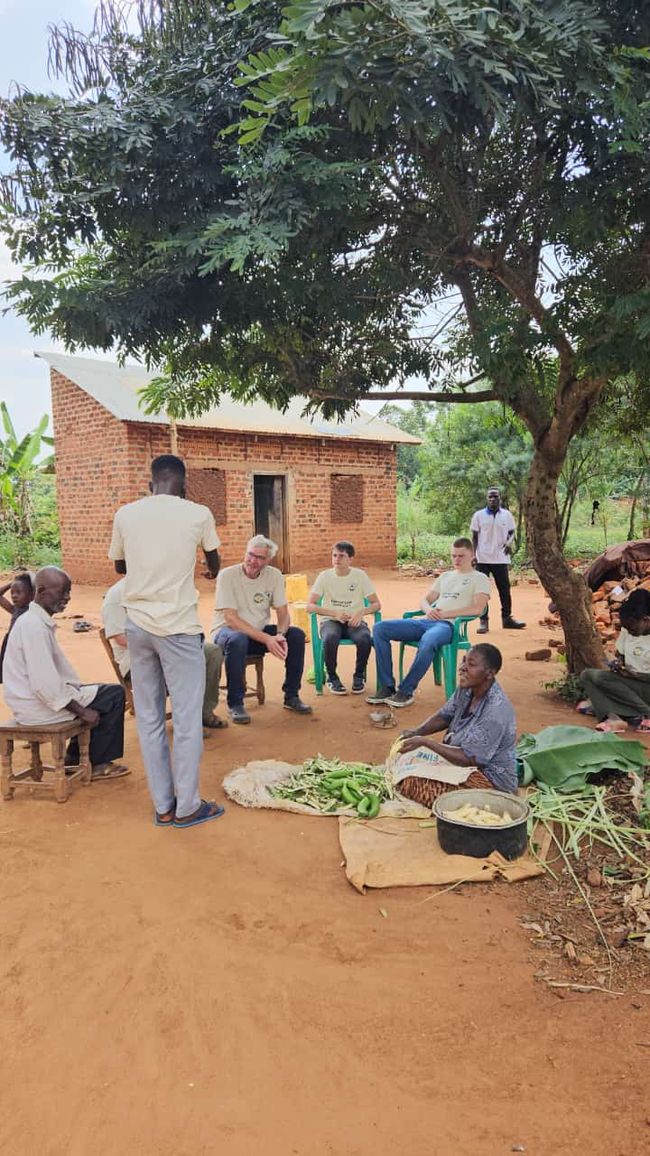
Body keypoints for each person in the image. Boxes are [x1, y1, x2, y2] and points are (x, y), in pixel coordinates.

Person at [109, 454, 224, 828]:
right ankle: (188, 806)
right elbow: (214, 561)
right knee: (188, 721)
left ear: (150, 484)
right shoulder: (198, 513)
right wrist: (204, 567)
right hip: (177, 627)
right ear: (184, 486)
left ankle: (164, 806)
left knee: (150, 718)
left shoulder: (126, 514)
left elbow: (120, 567)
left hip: (137, 627)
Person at [2, 566, 128, 780]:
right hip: (37, 707)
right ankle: (96, 763)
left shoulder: (35, 621)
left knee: (102, 692)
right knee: (114, 696)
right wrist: (81, 710)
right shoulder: (34, 627)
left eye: (69, 592)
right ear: (41, 591)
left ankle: (74, 757)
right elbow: (44, 685)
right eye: (62, 592)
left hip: (33, 702)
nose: (68, 597)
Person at [367, 538, 490, 708]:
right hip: (426, 621)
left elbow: (477, 609)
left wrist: (445, 614)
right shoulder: (446, 576)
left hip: (447, 626)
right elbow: (425, 600)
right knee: (380, 628)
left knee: (429, 640)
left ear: (472, 555)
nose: (456, 560)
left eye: (461, 556)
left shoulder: (480, 578)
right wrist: (428, 610)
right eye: (453, 556)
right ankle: (387, 686)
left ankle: (405, 691)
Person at [393, 643, 517, 807]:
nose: (462, 668)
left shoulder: (495, 711)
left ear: (489, 673)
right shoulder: (467, 688)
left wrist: (425, 742)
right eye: (464, 661)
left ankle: (487, 802)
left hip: (488, 779)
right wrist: (417, 732)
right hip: (462, 763)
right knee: (406, 762)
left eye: (471, 664)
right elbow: (445, 716)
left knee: (413, 784)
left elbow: (470, 758)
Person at [102, 577, 227, 730]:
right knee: (181, 664)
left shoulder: (159, 586)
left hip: (170, 648)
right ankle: (185, 725)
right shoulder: (116, 595)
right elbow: (120, 638)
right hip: (136, 659)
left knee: (212, 652)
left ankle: (204, 712)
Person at [212, 534, 312, 724]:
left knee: (296, 635)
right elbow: (231, 619)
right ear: (245, 553)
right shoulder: (227, 576)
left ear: (268, 560)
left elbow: (283, 612)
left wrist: (281, 635)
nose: (253, 561)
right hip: (227, 633)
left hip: (257, 633)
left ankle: (291, 696)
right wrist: (267, 638)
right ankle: (236, 703)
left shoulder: (273, 575)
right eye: (251, 555)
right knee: (238, 639)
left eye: (260, 558)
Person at [306, 541, 381, 695]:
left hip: (354, 621)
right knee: (330, 637)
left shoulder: (360, 576)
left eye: (341, 556)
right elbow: (310, 606)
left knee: (364, 637)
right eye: (334, 555)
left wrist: (361, 612)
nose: (337, 559)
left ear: (350, 559)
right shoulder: (324, 576)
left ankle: (359, 676)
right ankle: (332, 677)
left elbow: (376, 604)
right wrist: (334, 613)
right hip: (331, 621)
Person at [578, 588, 650, 733]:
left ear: (646, 620)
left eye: (632, 628)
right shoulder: (628, 631)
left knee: (604, 688)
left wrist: (634, 675)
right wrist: (619, 664)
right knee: (588, 675)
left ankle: (644, 711)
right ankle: (613, 718)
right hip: (631, 685)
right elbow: (621, 655)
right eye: (626, 627)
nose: (629, 631)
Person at [470, 487, 525, 632]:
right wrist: (473, 555)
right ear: (486, 499)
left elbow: (512, 532)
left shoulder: (506, 515)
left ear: (500, 498)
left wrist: (509, 542)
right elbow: (475, 537)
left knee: (504, 589)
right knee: (482, 591)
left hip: (501, 558)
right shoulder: (478, 516)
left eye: (496, 497)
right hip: (482, 558)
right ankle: (483, 621)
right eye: (490, 497)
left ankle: (507, 619)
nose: (493, 499)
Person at [0, 571, 34, 683]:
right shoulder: (15, 610)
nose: (14, 596)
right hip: (10, 641)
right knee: (8, 672)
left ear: (32, 595)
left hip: (25, 644)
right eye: (12, 593)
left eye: (19, 592)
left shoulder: (33, 610)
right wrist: (12, 583)